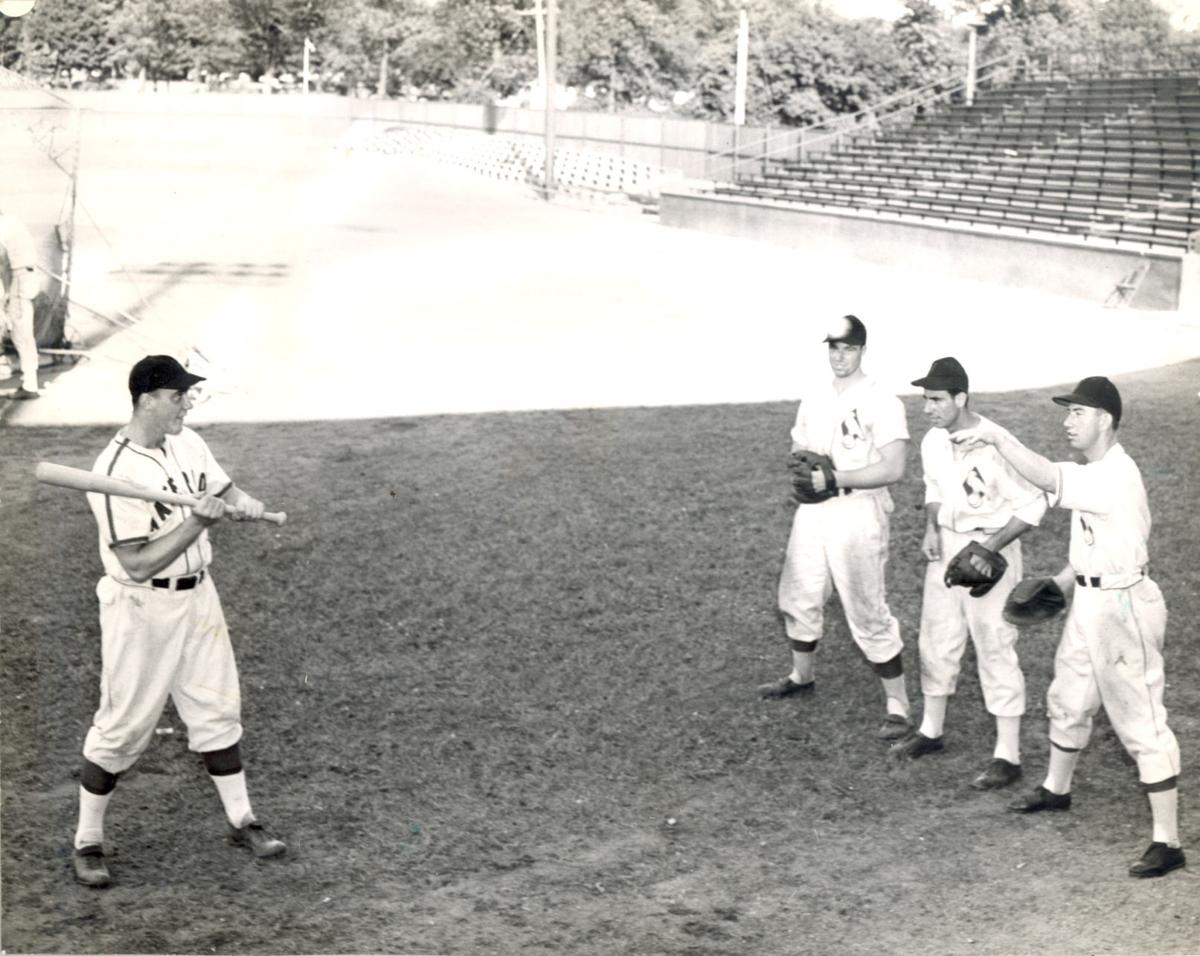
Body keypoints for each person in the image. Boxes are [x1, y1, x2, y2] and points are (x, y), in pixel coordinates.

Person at [955, 376, 1184, 878]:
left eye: (1077, 413)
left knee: (1140, 716)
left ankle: (1168, 841)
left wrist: (997, 437)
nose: (1067, 421)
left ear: (1104, 419)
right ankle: (1057, 790)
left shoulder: (1115, 475)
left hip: (1125, 607)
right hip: (1090, 600)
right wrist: (1062, 582)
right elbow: (1089, 542)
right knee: (1070, 695)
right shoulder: (1094, 470)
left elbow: (1044, 477)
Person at [71, 355, 286, 888]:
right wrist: (197, 521)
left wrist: (243, 502)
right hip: (141, 607)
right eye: (177, 396)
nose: (186, 404)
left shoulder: (187, 441)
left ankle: (243, 820)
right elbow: (138, 562)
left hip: (198, 598)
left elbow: (223, 487)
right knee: (123, 726)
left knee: (216, 707)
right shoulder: (114, 471)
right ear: (146, 399)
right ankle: (88, 842)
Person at [889, 357, 1046, 791]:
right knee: (936, 638)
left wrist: (989, 548)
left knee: (995, 643)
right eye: (925, 399)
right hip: (948, 546)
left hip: (991, 550)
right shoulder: (933, 442)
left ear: (961, 398)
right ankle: (931, 731)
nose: (928, 408)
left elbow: (1035, 505)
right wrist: (930, 528)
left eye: (936, 399)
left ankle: (1008, 756)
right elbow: (934, 489)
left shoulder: (997, 442)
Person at [759, 315, 913, 740]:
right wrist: (805, 466)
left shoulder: (883, 400)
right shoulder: (815, 396)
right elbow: (800, 446)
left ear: (862, 349)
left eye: (847, 348)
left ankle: (897, 704)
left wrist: (835, 478)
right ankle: (801, 676)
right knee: (798, 591)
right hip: (815, 508)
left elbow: (894, 467)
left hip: (858, 510)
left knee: (865, 606)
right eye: (833, 347)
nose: (839, 356)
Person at [0, 209, 41, 398]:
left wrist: (6, 294)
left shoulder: (3, 226)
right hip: (30, 276)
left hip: (20, 278)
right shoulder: (13, 220)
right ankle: (30, 382)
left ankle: (30, 386)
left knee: (21, 334)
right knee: (23, 333)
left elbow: (2, 263)